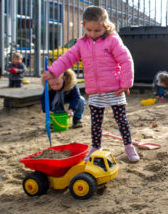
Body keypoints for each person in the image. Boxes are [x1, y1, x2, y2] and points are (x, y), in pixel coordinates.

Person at [41, 6, 140, 162]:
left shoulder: (113, 40)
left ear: (106, 26)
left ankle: (128, 146)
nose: (93, 34)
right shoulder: (82, 44)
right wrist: (53, 71)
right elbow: (68, 58)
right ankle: (96, 146)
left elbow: (126, 60)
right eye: (89, 30)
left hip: (115, 89)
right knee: (95, 122)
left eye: (98, 30)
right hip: (95, 91)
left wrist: (126, 83)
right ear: (83, 26)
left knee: (121, 119)